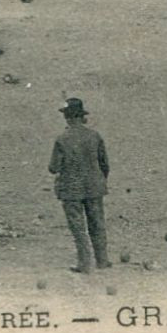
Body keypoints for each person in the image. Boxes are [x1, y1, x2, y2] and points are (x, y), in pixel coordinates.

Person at [49, 97, 110, 273]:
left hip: (71, 189)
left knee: (78, 227)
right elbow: (105, 164)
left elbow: (53, 168)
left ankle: (84, 263)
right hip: (94, 186)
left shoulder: (62, 139)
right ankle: (102, 260)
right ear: (81, 116)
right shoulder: (95, 136)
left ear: (67, 117)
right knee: (97, 223)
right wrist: (99, 179)